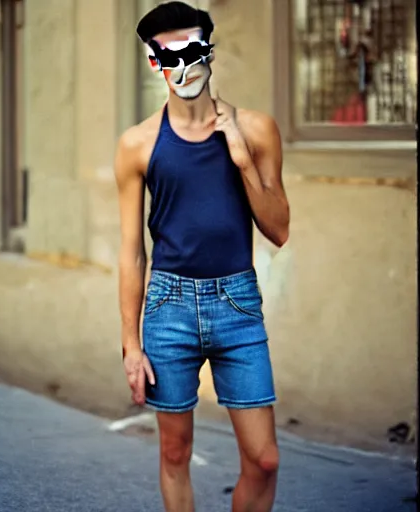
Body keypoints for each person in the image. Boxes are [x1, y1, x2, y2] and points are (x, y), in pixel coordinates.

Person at [114, 2, 290, 511]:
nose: (185, 66)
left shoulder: (257, 129)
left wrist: (239, 153)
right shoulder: (137, 145)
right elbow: (131, 251)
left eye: (193, 50)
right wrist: (130, 343)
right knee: (174, 451)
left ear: (209, 50)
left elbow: (278, 228)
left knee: (265, 460)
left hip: (237, 305)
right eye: (170, 55)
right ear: (154, 63)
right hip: (168, 309)